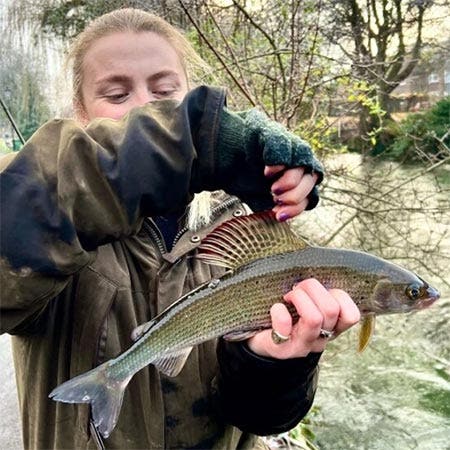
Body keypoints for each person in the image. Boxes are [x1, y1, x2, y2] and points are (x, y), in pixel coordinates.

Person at [0, 8, 360, 450]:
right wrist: (180, 144)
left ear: (189, 97)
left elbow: (262, 417)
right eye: (116, 95)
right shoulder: (42, 215)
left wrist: (272, 363)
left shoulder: (240, 234)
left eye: (166, 91)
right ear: (79, 113)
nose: (147, 109)